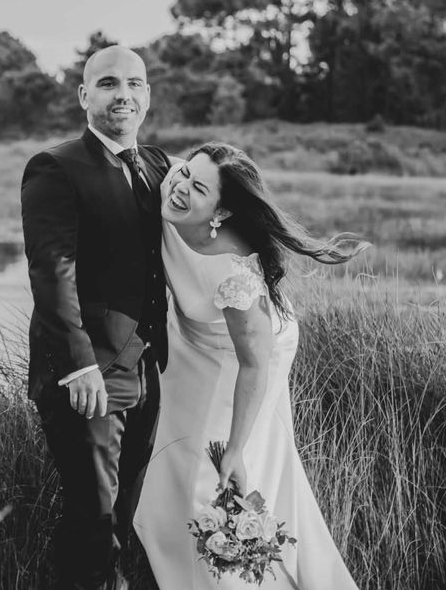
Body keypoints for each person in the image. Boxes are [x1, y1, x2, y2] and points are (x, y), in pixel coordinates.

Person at [134, 143, 367, 589]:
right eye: (185, 173)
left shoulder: (235, 276)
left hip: (247, 356)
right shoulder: (172, 185)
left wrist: (236, 448)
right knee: (170, 458)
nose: (180, 187)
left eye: (198, 188)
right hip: (193, 339)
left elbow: (254, 364)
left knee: (213, 467)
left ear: (220, 212)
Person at [21, 45, 170, 590]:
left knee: (123, 515)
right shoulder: (56, 167)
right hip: (89, 376)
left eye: (134, 84)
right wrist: (79, 365)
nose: (123, 95)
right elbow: (51, 271)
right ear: (85, 96)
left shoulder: (159, 166)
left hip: (148, 369)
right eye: (108, 84)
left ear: (148, 95)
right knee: (95, 519)